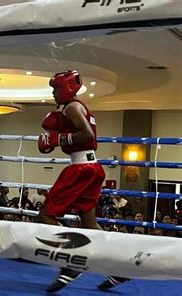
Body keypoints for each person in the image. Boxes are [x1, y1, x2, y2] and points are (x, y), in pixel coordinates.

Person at [36, 70, 129, 292]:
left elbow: (88, 136)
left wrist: (57, 139)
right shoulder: (75, 108)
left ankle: (70, 262)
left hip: (80, 169)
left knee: (46, 215)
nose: (53, 92)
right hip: (93, 168)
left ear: (67, 87)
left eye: (56, 88)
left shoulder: (72, 108)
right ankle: (119, 268)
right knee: (89, 223)